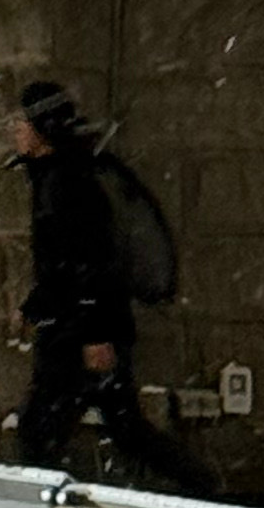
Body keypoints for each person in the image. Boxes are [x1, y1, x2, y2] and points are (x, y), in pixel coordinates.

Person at [10, 79, 194, 484]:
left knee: (39, 432)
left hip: (78, 334)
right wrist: (34, 306)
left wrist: (95, 335)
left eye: (22, 121)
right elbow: (61, 264)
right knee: (124, 429)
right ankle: (200, 487)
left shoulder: (68, 183)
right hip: (76, 326)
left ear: (42, 129)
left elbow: (91, 261)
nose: (16, 130)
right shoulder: (55, 176)